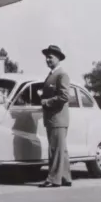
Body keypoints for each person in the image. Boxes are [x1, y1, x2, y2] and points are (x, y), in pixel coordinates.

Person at [39, 45, 73, 188]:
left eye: (50, 57)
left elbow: (65, 96)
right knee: (61, 150)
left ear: (58, 58)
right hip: (54, 118)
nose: (47, 59)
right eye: (46, 57)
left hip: (57, 118)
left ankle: (53, 179)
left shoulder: (61, 75)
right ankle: (65, 178)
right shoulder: (52, 75)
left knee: (55, 150)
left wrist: (46, 101)